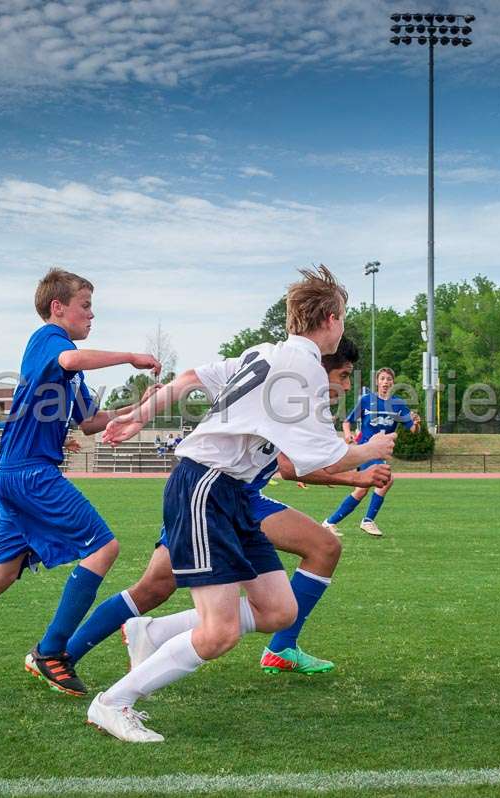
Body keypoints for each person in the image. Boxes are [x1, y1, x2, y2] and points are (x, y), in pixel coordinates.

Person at [85, 266, 397, 743]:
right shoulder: (308, 368)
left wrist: (138, 417)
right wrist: (370, 452)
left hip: (229, 491)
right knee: (219, 633)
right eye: (344, 318)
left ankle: (151, 632)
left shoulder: (264, 353)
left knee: (278, 610)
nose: (343, 328)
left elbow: (190, 376)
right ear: (331, 319)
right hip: (207, 486)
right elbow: (321, 454)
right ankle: (113, 702)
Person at [0, 267, 160, 699]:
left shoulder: (71, 373)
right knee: (104, 547)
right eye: (86, 306)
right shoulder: (49, 342)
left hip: (17, 474)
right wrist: (130, 356)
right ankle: (51, 651)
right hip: (29, 472)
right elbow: (72, 358)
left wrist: (138, 406)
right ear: (58, 308)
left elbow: (91, 424)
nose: (92, 316)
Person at [64, 336, 388, 682]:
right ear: (319, 368)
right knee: (156, 588)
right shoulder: (292, 388)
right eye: (343, 375)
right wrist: (360, 475)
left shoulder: (283, 378)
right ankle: (64, 654)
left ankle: (280, 646)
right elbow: (289, 465)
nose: (346, 385)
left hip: (225, 493)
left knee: (158, 586)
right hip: (221, 495)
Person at [323, 367, 420, 538]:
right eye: (382, 379)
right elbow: (347, 422)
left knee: (361, 490)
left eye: (388, 379)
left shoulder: (398, 404)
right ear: (377, 382)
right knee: (387, 479)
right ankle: (367, 520)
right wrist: (347, 435)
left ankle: (329, 523)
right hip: (365, 450)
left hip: (381, 452)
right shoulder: (367, 400)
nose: (385, 382)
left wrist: (417, 422)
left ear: (393, 383)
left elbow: (413, 430)